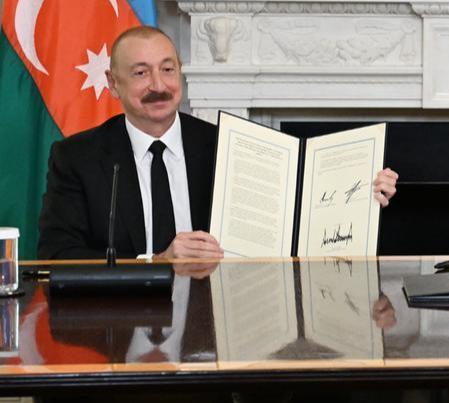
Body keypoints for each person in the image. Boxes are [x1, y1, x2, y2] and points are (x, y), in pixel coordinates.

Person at [36, 26, 399, 260]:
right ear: (113, 84)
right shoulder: (77, 158)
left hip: (215, 324)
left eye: (168, 69)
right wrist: (156, 262)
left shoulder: (228, 146)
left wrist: (360, 193)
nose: (159, 86)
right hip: (119, 332)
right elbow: (56, 256)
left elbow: (295, 222)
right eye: (141, 73)